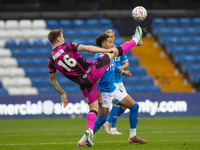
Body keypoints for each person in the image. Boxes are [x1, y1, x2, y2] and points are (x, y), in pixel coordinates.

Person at [48, 26, 143, 147]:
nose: (63, 38)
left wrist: (62, 93)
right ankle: (135, 40)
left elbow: (53, 81)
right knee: (114, 51)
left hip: (85, 84)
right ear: (57, 40)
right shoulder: (67, 46)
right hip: (93, 72)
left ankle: (88, 132)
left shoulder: (51, 60)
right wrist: (105, 51)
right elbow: (87, 48)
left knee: (93, 110)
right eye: (62, 37)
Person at [77, 33, 147, 146]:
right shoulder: (98, 58)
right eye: (110, 42)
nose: (112, 44)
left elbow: (113, 68)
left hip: (114, 89)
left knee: (135, 106)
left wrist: (123, 72)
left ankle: (132, 136)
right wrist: (99, 95)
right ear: (103, 44)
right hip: (104, 92)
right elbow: (94, 79)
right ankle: (83, 140)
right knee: (102, 119)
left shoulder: (110, 55)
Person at [103, 29, 130, 135]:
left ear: (114, 37)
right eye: (108, 36)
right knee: (116, 103)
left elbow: (126, 63)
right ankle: (113, 128)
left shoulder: (119, 50)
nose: (110, 38)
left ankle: (107, 121)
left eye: (111, 36)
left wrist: (121, 69)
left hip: (119, 80)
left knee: (125, 105)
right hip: (110, 81)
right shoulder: (103, 50)